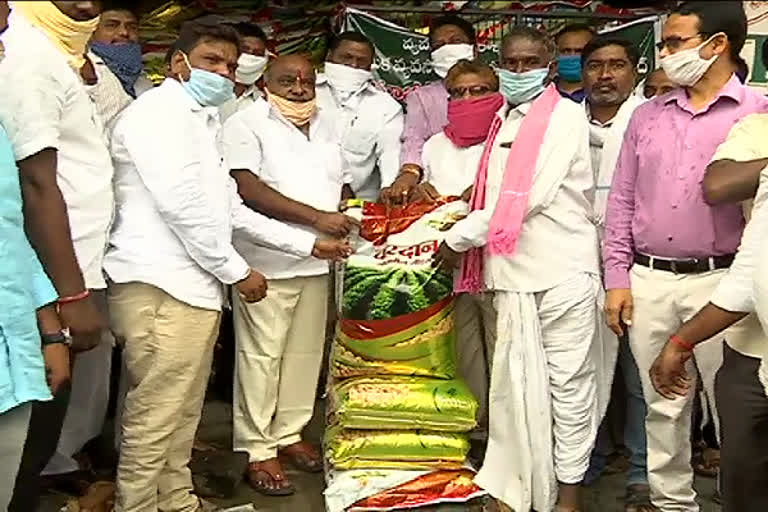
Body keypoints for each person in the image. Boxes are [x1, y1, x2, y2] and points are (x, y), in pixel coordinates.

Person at [105, 23, 349, 511]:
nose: (223, 73)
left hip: (191, 286)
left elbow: (229, 208)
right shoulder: (159, 115)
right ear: (179, 63)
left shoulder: (200, 119)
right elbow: (184, 207)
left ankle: (177, 501)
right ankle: (136, 505)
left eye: (230, 66)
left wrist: (306, 246)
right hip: (160, 283)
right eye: (212, 61)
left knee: (181, 412)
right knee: (156, 415)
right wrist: (236, 269)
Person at [602, 2, 768, 510]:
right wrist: (617, 276)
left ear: (716, 45)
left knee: (734, 411)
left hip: (727, 284)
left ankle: (734, 500)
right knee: (662, 404)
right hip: (650, 277)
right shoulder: (646, 115)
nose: (666, 54)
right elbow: (623, 198)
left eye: (675, 42)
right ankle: (671, 502)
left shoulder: (755, 115)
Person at [433, 26, 601, 512]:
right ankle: (522, 489)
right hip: (513, 275)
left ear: (549, 67)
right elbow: (495, 190)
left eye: (530, 62)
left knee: (568, 390)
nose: (519, 70)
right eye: (511, 61)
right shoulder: (504, 118)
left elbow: (527, 197)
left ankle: (567, 497)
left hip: (560, 273)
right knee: (516, 390)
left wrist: (458, 238)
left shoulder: (565, 117)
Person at [221, 53, 355, 497]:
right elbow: (247, 188)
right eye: (287, 81)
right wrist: (317, 219)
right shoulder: (246, 123)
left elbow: (342, 180)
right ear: (264, 83)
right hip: (268, 260)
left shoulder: (328, 121)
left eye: (306, 81)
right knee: (263, 357)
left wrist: (347, 211)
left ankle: (290, 433)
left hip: (319, 261)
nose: (299, 88)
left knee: (303, 355)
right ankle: (258, 448)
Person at [0, 2, 114, 509]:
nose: (87, 6)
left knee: (32, 444)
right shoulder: (27, 56)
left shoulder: (55, 54)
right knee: (24, 450)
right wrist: (70, 295)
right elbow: (36, 185)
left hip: (44, 286)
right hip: (48, 281)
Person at [650, 109, 768, 510]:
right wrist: (683, 340)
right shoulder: (760, 146)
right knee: (745, 480)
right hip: (753, 351)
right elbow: (751, 271)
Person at [386, 58, 502, 458]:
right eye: (457, 92)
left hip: (499, 266)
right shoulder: (436, 144)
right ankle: (474, 431)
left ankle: (507, 441)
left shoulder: (508, 139)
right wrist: (426, 197)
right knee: (463, 353)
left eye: (479, 90)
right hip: (449, 270)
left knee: (504, 352)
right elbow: (431, 198)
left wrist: (478, 198)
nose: (467, 99)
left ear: (497, 91)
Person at [580, 36, 654, 512]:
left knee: (639, 375)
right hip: (575, 264)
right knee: (582, 369)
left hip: (639, 264)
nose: (606, 75)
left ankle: (644, 473)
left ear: (634, 71)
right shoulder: (562, 123)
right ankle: (590, 455)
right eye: (595, 66)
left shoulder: (652, 121)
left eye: (617, 65)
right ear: (581, 72)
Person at [383, 14, 476, 203]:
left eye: (455, 41)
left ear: (475, 49)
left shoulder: (500, 90)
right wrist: (409, 173)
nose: (447, 48)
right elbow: (414, 139)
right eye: (439, 45)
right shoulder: (421, 97)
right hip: (438, 186)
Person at [316, 31, 403, 201]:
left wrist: (389, 188)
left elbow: (390, 153)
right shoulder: (305, 92)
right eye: (346, 57)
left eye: (361, 61)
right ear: (329, 56)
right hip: (301, 197)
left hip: (358, 202)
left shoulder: (386, 106)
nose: (353, 65)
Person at [89, 3, 152, 99]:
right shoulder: (84, 72)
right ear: (91, 32)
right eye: (112, 25)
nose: (124, 32)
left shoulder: (140, 75)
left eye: (132, 27)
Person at [220, 22, 269, 121]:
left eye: (258, 53)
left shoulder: (262, 101)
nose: (250, 57)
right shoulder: (206, 92)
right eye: (244, 50)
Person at [555, 23, 595, 102]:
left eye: (579, 51)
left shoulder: (603, 93)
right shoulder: (542, 92)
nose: (572, 56)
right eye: (566, 51)